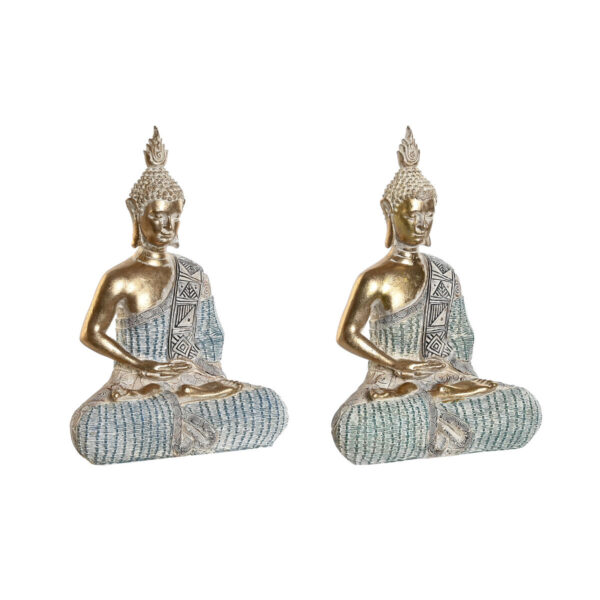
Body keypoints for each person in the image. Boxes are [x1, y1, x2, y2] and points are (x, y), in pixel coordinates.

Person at [71, 128, 287, 464]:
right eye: (158, 216)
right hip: (137, 382)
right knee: (95, 423)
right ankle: (172, 413)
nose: (167, 226)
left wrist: (201, 374)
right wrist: (139, 364)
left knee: (268, 404)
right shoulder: (119, 277)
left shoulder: (192, 273)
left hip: (192, 379)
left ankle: (172, 415)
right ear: (135, 213)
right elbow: (91, 334)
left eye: (174, 217)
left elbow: (211, 337)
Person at [333, 127, 541, 464]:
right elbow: (347, 334)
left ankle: (427, 419)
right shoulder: (374, 278)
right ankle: (430, 415)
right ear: (389, 212)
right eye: (412, 214)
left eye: (428, 214)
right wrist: (395, 364)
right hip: (393, 382)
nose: (421, 224)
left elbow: (461, 335)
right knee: (358, 423)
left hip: (445, 379)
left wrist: (454, 374)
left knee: (521, 402)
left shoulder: (443, 273)